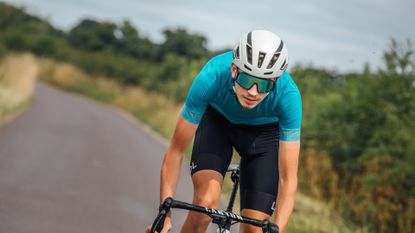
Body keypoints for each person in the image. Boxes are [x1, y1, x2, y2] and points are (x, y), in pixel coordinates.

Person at [147, 30, 302, 233]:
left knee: (254, 228)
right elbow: (175, 151)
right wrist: (164, 216)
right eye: (247, 80)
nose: (253, 92)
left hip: (264, 136)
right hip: (218, 123)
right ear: (234, 70)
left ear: (275, 81)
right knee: (205, 206)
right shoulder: (211, 76)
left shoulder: (288, 96)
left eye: (264, 83)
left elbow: (288, 179)